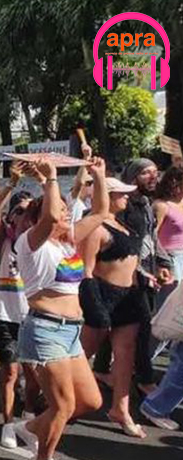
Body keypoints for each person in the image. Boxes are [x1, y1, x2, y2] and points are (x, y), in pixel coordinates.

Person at [12, 156, 106, 460]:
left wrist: (99, 175)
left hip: (71, 332)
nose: (66, 216)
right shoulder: (29, 244)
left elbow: (100, 212)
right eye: (62, 212)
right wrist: (50, 178)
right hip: (45, 329)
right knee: (63, 405)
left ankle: (29, 428)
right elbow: (51, 215)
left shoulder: (67, 241)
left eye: (67, 212)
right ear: (39, 218)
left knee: (90, 402)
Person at [92, 158, 173, 394]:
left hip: (144, 273)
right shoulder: (121, 206)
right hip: (124, 277)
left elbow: (150, 238)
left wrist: (163, 263)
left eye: (155, 172)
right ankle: (143, 378)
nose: (154, 177)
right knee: (140, 327)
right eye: (146, 173)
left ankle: (103, 372)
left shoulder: (145, 203)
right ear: (133, 176)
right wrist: (141, 273)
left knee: (124, 329)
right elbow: (123, 245)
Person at [78, 177, 148, 438]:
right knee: (82, 353)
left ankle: (121, 409)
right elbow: (85, 270)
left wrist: (147, 276)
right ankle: (52, 394)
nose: (126, 197)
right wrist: (94, 304)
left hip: (129, 296)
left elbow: (131, 261)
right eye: (121, 193)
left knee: (126, 355)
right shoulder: (95, 227)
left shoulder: (122, 224)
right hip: (103, 294)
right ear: (106, 196)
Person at [0, 166, 38, 448]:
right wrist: (12, 182)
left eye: (30, 211)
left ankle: (28, 418)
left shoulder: (40, 241)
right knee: (10, 371)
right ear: (11, 216)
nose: (25, 216)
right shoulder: (3, 237)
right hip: (6, 313)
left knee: (34, 374)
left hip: (35, 315)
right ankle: (7, 423)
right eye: (19, 211)